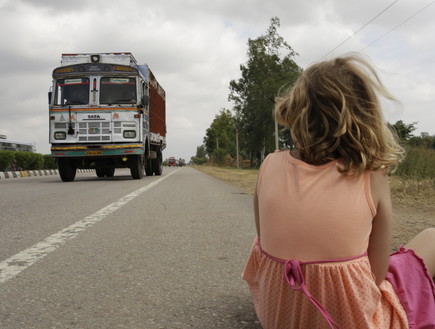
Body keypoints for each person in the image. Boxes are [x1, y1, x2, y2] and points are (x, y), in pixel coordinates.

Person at [242, 54, 435, 329]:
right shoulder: (372, 175)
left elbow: (263, 243)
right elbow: (376, 276)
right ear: (365, 117)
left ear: (297, 113)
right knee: (431, 237)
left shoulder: (269, 165)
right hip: (350, 321)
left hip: (278, 316)